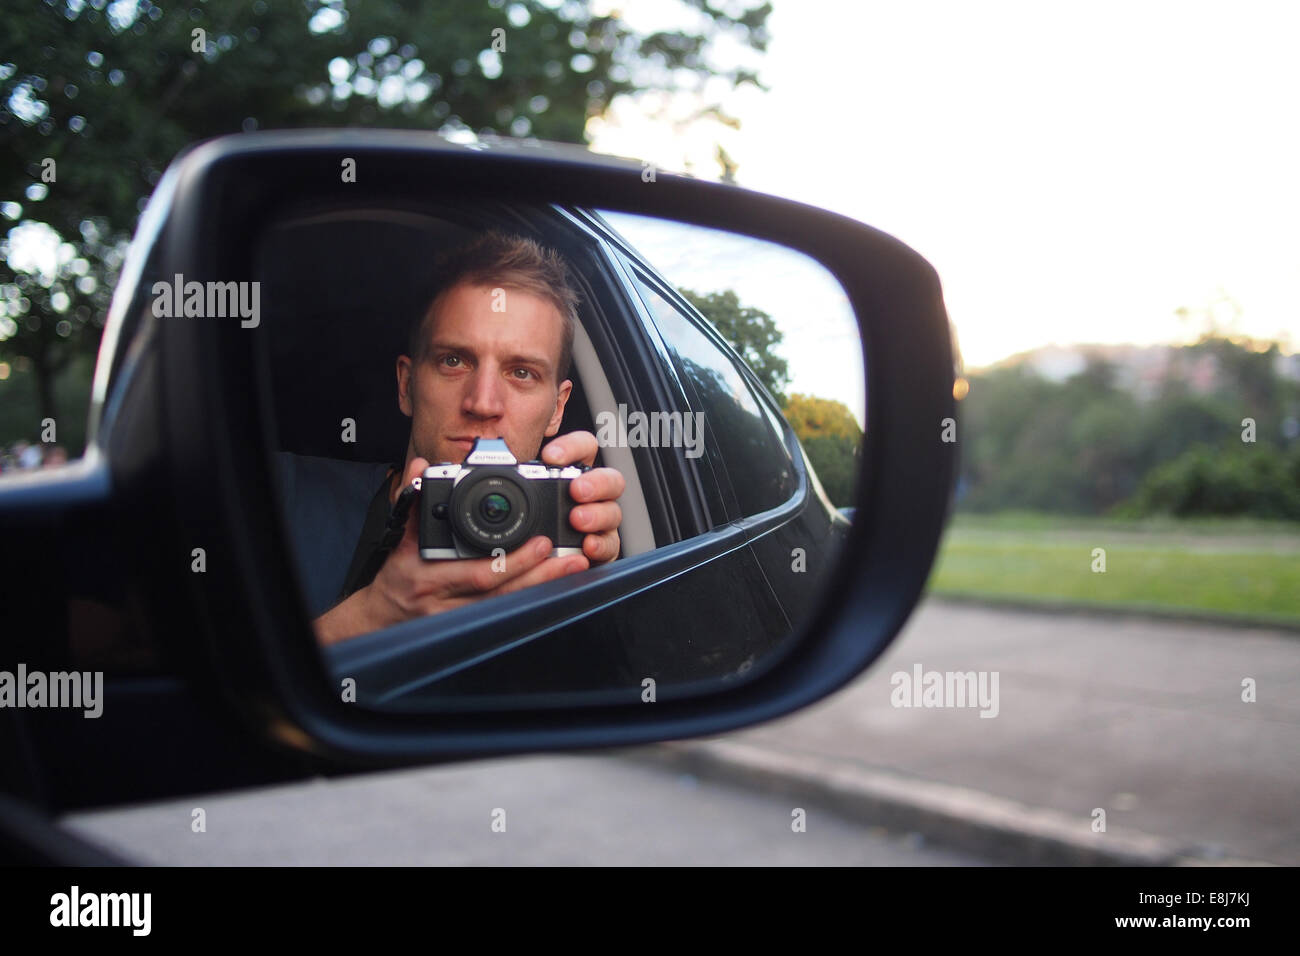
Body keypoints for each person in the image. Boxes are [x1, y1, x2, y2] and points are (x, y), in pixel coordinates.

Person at [278, 232, 625, 646]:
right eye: (454, 361)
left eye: (520, 372)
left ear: (557, 410)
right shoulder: (281, 496)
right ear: (406, 385)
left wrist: (595, 591)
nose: (482, 402)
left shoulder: (557, 550)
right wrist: (371, 617)